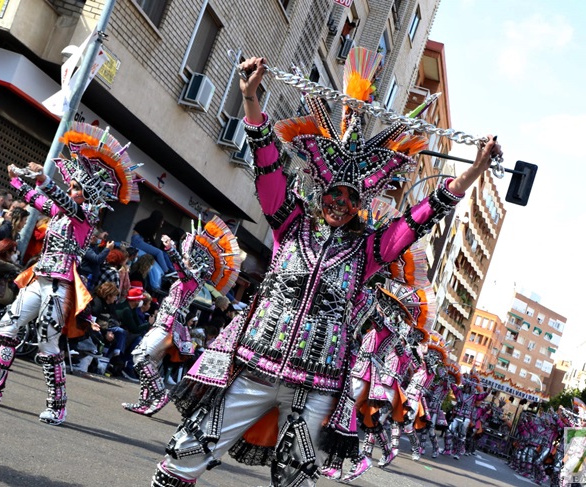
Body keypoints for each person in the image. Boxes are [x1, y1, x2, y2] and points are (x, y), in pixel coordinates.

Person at [150, 47, 501, 486]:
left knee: (296, 481)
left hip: (316, 389)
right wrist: (250, 100)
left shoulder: (369, 251)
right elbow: (267, 166)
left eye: (351, 199)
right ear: (321, 189)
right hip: (256, 369)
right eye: (335, 193)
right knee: (183, 454)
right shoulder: (290, 223)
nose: (340, 204)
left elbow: (421, 217)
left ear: (361, 204)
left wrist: (474, 172)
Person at [0, 122, 139, 425]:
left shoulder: (83, 216)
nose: (71, 189)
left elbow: (56, 199)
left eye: (75, 187)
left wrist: (44, 179)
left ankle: (57, 405)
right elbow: (39, 201)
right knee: (7, 328)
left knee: (48, 345)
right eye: (71, 185)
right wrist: (18, 180)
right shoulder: (62, 214)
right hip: (39, 279)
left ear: (85, 194)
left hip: (59, 287)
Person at [122, 216, 241, 416]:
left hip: (167, 324)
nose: (185, 257)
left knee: (140, 357)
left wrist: (170, 248)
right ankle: (145, 401)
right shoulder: (193, 279)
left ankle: (159, 394)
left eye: (188, 255)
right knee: (150, 360)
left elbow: (180, 266)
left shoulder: (191, 278)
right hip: (166, 323)